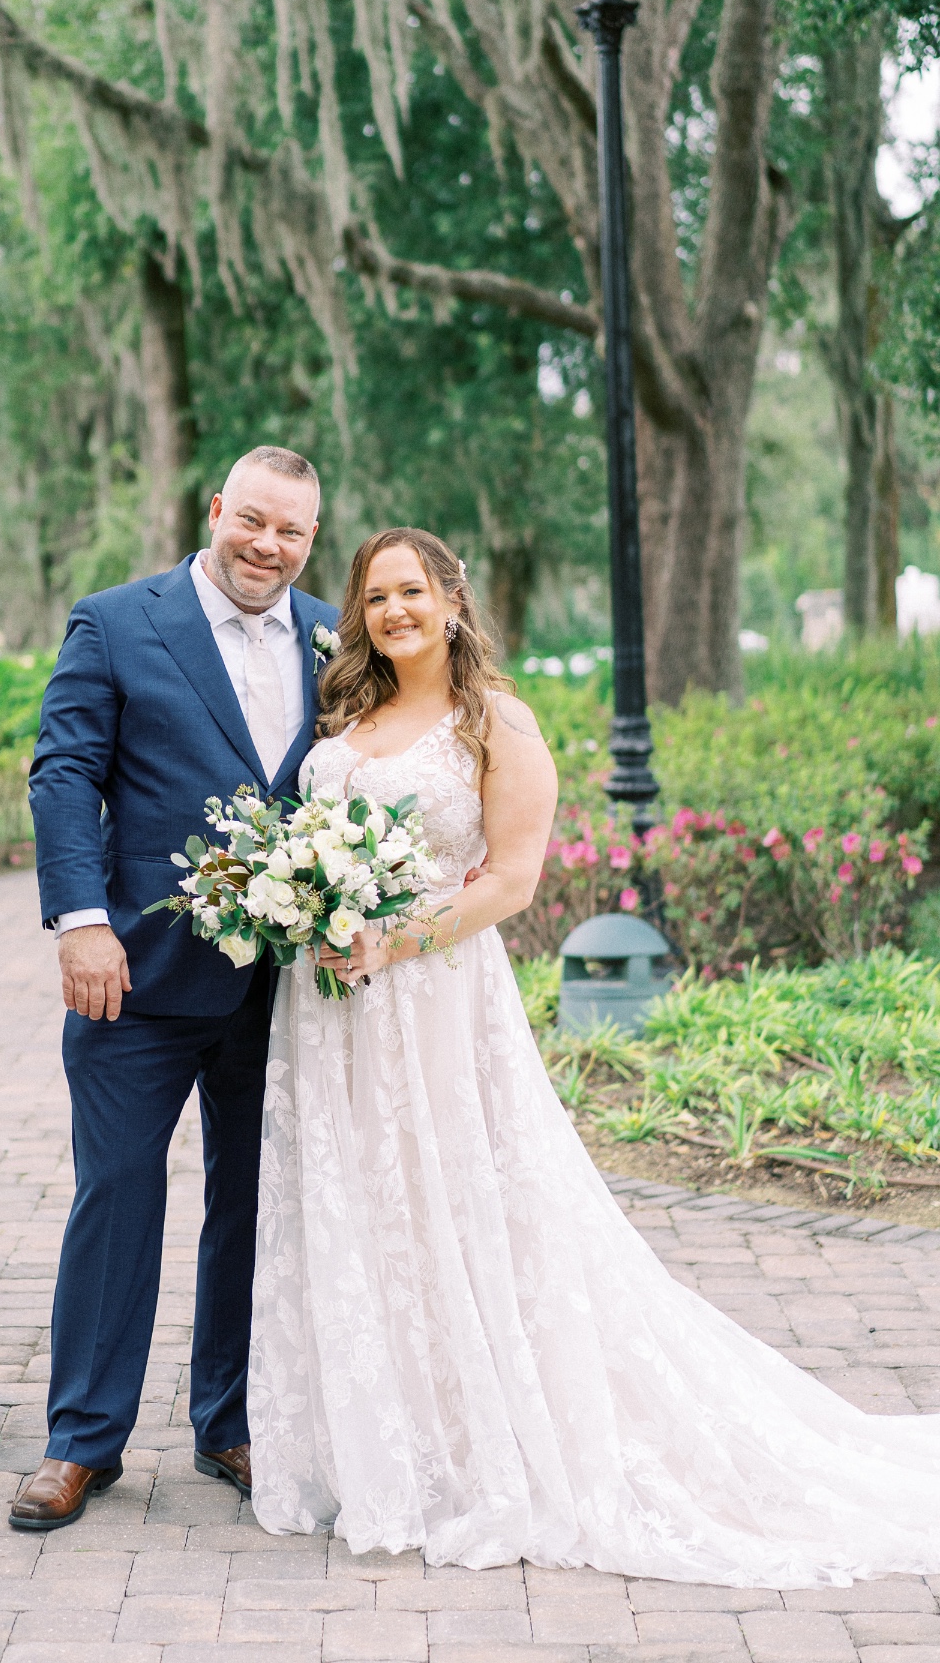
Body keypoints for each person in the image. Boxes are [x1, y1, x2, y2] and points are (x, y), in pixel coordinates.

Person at [248, 525, 940, 1584]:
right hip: (339, 1012)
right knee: (373, 1211)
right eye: (375, 597)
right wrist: (316, 914)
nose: (393, 612)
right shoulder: (344, 719)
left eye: (411, 592)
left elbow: (512, 881)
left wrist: (390, 938)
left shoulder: (497, 723)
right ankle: (398, 1445)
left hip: (435, 999)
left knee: (459, 1204)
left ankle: (491, 1441)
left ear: (452, 599)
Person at [11, 446, 337, 1531]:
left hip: (281, 989)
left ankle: (232, 1424)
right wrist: (81, 922)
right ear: (217, 510)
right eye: (253, 521)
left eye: (291, 532)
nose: (268, 547)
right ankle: (82, 1443)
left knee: (254, 1208)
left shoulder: (336, 636)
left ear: (310, 539)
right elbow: (64, 773)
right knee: (118, 1198)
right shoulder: (116, 620)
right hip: (133, 980)